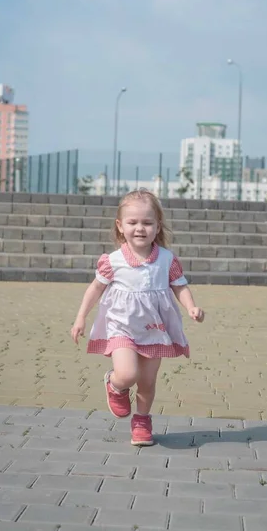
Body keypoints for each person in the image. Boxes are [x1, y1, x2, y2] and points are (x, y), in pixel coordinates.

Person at [70, 189, 204, 447]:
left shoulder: (167, 259)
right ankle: (116, 384)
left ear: (157, 226)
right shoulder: (113, 261)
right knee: (128, 373)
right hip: (122, 328)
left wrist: (191, 307)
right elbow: (95, 289)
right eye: (132, 222)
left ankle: (142, 421)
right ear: (120, 226)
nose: (140, 228)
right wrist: (80, 318)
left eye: (147, 222)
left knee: (147, 381)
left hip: (155, 328)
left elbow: (179, 286)